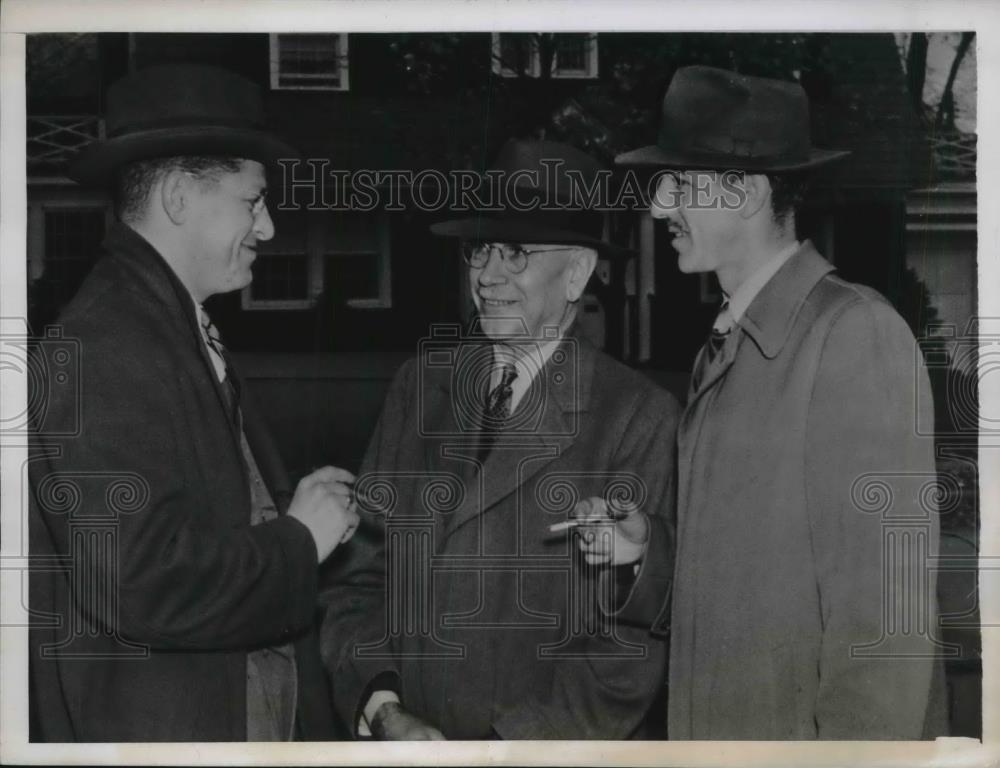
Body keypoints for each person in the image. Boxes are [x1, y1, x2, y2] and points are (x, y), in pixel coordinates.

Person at [584, 65, 946, 739]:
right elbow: (751, 581)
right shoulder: (731, 343)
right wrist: (649, 554)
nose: (660, 207)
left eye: (678, 184)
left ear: (746, 192)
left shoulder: (851, 336)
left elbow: (885, 626)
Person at [29, 64, 359, 742]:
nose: (267, 228)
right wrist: (301, 541)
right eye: (252, 201)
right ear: (180, 197)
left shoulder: (166, 323)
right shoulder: (105, 344)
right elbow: (143, 579)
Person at [319, 140, 679, 740]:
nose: (486, 276)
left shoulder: (636, 417)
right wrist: (383, 708)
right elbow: (358, 581)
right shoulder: (419, 389)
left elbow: (628, 651)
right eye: (479, 250)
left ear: (576, 274)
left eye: (516, 253)